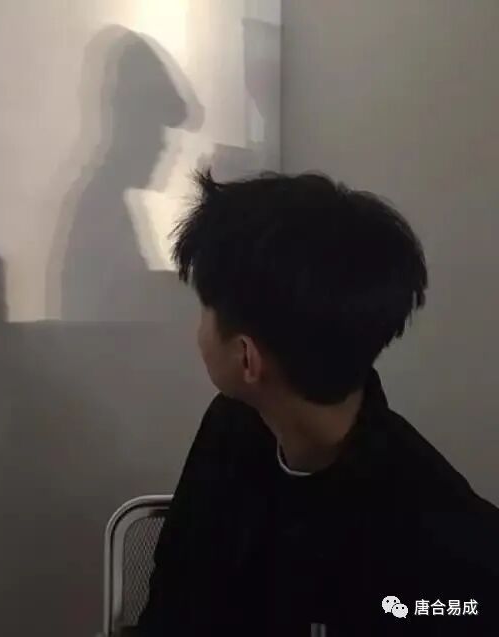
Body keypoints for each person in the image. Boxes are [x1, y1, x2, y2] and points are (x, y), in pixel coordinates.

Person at [135, 170, 499, 636]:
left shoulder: (443, 541)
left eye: (205, 309)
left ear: (247, 357)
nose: (199, 329)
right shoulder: (233, 425)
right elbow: (173, 600)